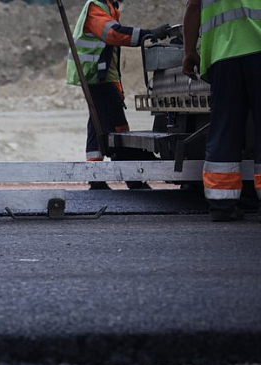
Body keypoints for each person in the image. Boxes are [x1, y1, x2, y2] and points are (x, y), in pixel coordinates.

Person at [66, 0, 169, 190]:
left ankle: (95, 176)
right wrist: (149, 33)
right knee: (118, 127)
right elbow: (113, 34)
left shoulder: (108, 9)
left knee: (97, 125)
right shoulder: (95, 7)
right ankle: (131, 179)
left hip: (100, 78)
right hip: (97, 78)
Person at [182, 0, 261, 222]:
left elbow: (193, 9)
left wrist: (188, 51)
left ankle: (221, 203)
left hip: (222, 56)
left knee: (225, 127)